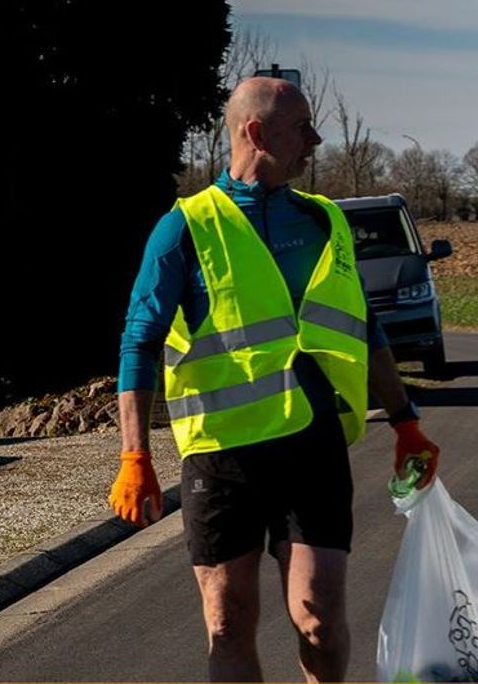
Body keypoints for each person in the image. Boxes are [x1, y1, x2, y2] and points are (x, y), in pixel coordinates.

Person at [107, 76, 440, 683]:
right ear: (256, 133)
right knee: (228, 622)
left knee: (318, 617)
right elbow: (139, 340)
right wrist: (135, 453)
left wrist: (406, 422)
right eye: (302, 128)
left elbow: (365, 330)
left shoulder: (324, 222)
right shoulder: (185, 228)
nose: (315, 140)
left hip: (310, 449)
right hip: (222, 453)